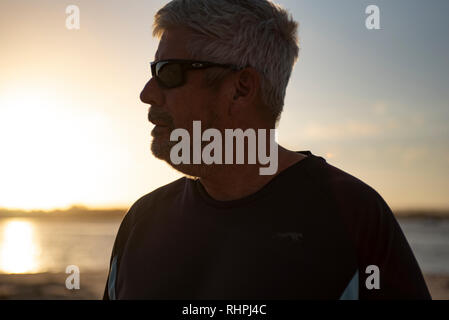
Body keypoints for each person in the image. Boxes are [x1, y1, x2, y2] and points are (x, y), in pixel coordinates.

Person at [103, 0, 430, 300]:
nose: (147, 93)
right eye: (152, 71)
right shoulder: (142, 221)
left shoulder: (352, 217)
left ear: (241, 88)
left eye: (168, 73)